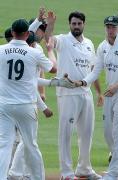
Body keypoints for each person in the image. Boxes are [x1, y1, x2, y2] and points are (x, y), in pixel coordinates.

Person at [73, 15, 118, 180]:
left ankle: (114, 173)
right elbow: (96, 71)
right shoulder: (102, 47)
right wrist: (82, 81)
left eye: (113, 27)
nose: (111, 30)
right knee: (108, 133)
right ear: (106, 28)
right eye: (108, 27)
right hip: (110, 94)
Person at [45, 11, 103, 179]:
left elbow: (92, 69)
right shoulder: (63, 40)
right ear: (69, 25)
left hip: (86, 93)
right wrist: (50, 25)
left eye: (79, 24)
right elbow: (48, 39)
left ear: (84, 24)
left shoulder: (89, 43)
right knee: (66, 133)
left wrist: (99, 92)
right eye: (73, 24)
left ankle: (84, 168)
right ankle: (66, 172)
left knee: (87, 132)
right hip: (68, 93)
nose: (76, 26)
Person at [0, 18, 57, 180]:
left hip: (4, 106)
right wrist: (51, 51)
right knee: (31, 145)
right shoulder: (35, 52)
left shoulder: (1, 50)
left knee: (4, 145)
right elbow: (53, 68)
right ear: (27, 34)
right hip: (26, 105)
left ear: (12, 33)